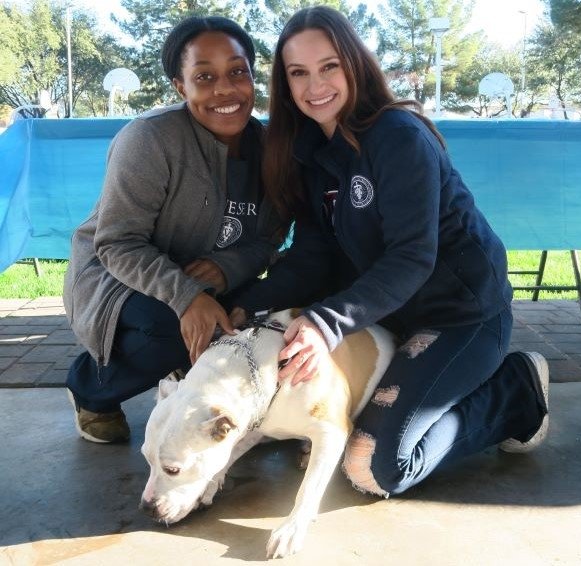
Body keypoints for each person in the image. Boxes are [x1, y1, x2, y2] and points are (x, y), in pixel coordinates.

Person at [230, 6, 549, 497]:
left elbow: (412, 257)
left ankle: (516, 392)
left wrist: (323, 323)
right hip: (389, 317)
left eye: (329, 66)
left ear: (355, 64)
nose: (315, 85)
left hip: (461, 316)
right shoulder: (312, 153)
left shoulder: (398, 135)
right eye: (299, 73)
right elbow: (314, 254)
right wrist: (247, 302)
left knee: (373, 466)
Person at [64, 16, 281, 444]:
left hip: (210, 276)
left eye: (238, 72)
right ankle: (91, 389)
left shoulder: (272, 149)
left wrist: (226, 267)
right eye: (205, 76)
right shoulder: (150, 139)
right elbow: (117, 242)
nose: (225, 89)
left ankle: (191, 364)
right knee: (169, 331)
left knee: (258, 322)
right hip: (117, 279)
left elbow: (270, 239)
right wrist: (187, 297)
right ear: (181, 87)